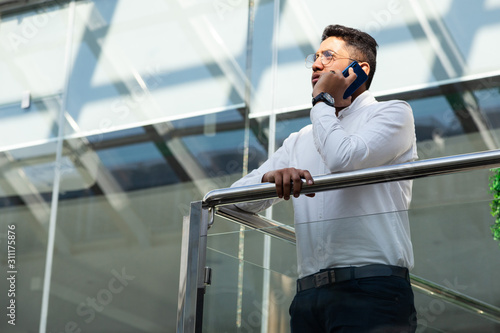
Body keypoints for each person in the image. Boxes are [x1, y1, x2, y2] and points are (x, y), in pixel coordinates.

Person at [231, 24, 418, 332]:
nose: (317, 65)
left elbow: (343, 159)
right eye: (315, 57)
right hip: (308, 297)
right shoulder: (300, 139)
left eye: (328, 56)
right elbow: (234, 200)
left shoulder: (393, 114)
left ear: (361, 69)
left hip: (373, 289)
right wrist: (270, 178)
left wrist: (323, 102)